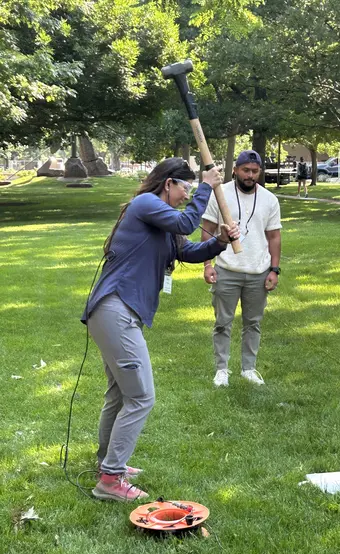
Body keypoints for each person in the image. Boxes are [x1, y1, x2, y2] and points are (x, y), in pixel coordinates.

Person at [81, 158, 240, 501]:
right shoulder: (146, 204)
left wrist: (221, 242)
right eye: (184, 187)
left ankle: (108, 463)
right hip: (115, 308)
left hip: (118, 312)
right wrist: (207, 185)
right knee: (141, 397)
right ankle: (110, 481)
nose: (186, 195)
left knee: (120, 395)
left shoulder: (163, 222)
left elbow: (189, 251)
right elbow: (186, 222)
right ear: (169, 183)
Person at [201, 150, 282, 387]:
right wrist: (207, 264)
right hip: (226, 268)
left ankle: (248, 368)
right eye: (245, 170)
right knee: (222, 323)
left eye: (255, 171)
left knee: (253, 322)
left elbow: (274, 236)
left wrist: (274, 270)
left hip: (258, 270)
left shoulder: (269, 199)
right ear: (235, 170)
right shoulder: (220, 193)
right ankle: (222, 370)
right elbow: (207, 228)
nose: (250, 175)